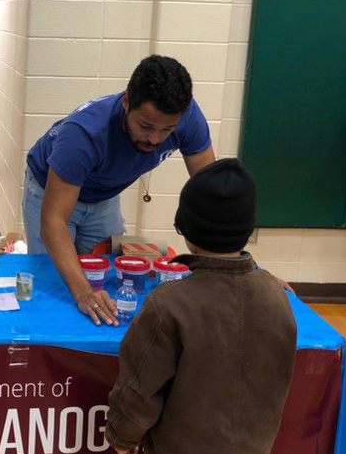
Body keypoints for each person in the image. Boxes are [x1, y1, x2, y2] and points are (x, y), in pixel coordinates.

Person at [106, 158, 297, 454]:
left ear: (185, 231)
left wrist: (123, 435)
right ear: (249, 229)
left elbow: (140, 388)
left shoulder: (169, 306)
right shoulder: (278, 295)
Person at [23, 54, 215, 325]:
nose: (155, 139)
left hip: (105, 194)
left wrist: (234, 269)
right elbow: (53, 221)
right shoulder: (84, 134)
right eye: (146, 126)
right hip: (50, 189)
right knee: (58, 284)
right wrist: (83, 293)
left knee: (106, 280)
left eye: (167, 130)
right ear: (126, 102)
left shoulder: (188, 118)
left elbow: (212, 194)